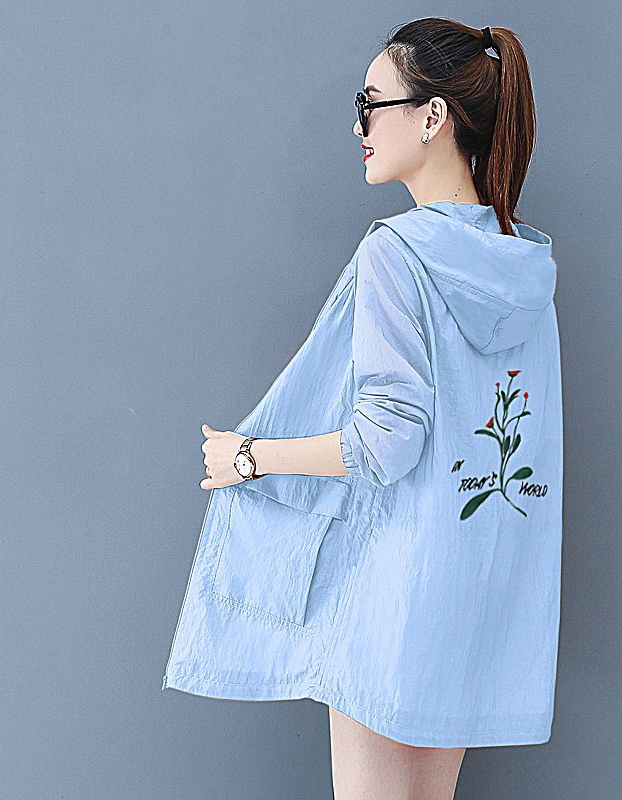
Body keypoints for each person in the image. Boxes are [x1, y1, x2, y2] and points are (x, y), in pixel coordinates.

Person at [163, 17, 562, 800]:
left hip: (393, 590)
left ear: (433, 115)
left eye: (371, 103)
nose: (359, 126)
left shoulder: (397, 252)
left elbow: (387, 438)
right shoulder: (521, 265)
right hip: (478, 591)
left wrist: (249, 457)